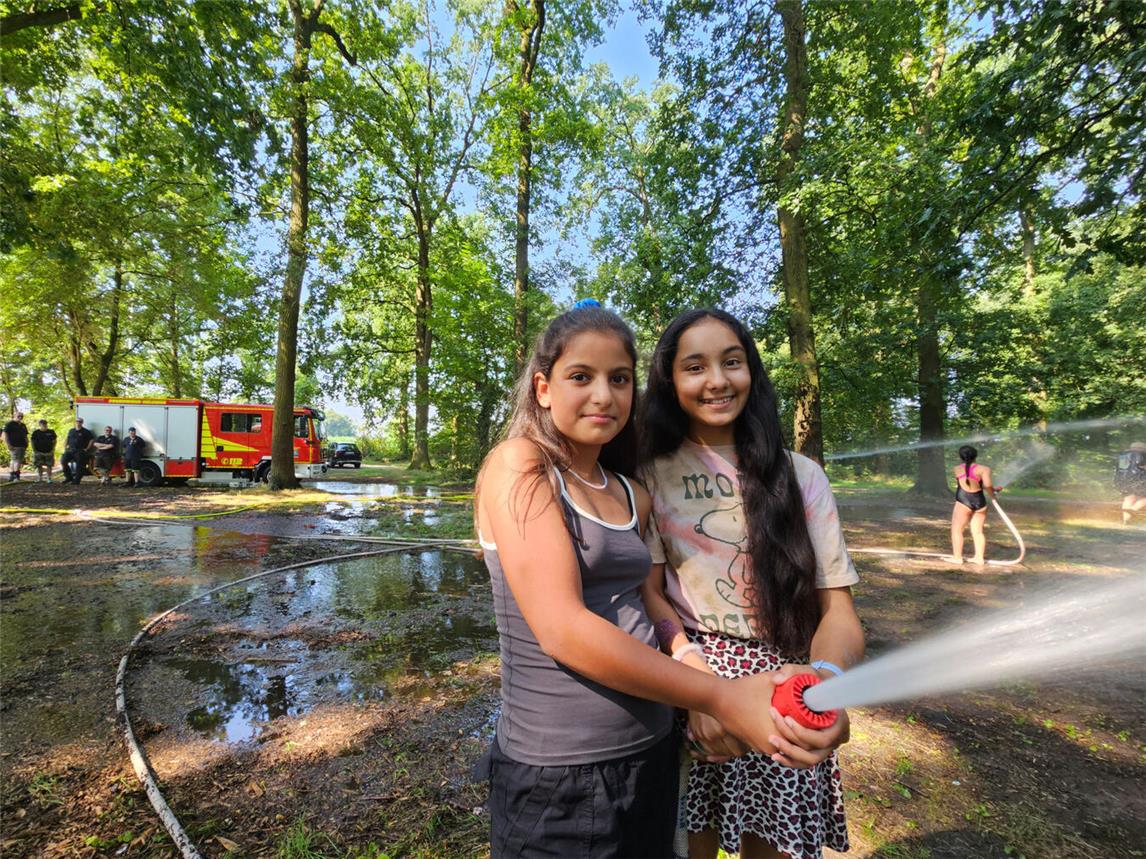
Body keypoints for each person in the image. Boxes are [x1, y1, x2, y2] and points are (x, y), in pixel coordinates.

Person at [473, 302, 821, 859]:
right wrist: (720, 696)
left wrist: (688, 656)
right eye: (580, 377)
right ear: (543, 388)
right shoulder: (520, 466)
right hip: (560, 772)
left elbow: (648, 601)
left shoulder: (630, 491)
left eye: (620, 379)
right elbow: (562, 628)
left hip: (653, 752)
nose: (604, 395)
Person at [637, 308, 863, 859]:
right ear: (670, 382)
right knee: (689, 845)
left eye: (731, 362)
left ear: (752, 373)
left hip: (786, 686)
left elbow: (838, 612)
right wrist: (694, 683)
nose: (717, 380)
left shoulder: (802, 476)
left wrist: (824, 682)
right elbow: (649, 592)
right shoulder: (647, 475)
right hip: (691, 685)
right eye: (695, 367)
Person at [948, 444, 997, 564]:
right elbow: (988, 486)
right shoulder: (985, 469)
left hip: (963, 501)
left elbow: (967, 480)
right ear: (976, 455)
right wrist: (994, 495)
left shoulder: (956, 469)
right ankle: (979, 558)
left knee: (957, 530)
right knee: (978, 531)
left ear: (960, 456)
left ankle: (957, 558)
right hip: (980, 501)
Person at [1115, 441, 1146, 526]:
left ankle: (1126, 522)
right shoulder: (1142, 454)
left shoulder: (1123, 455)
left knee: (1128, 499)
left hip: (1121, 480)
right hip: (1136, 480)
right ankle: (1134, 509)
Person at [60, 417, 95, 485]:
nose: (78, 423)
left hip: (80, 450)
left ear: (82, 423)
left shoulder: (86, 431)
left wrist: (87, 448)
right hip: (70, 450)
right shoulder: (71, 430)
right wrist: (65, 447)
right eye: (77, 421)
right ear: (75, 422)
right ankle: (68, 477)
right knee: (63, 461)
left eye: (79, 422)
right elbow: (67, 438)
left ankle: (77, 480)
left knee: (80, 464)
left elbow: (91, 440)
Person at [3, 410, 29, 482]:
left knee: (16, 460)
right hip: (14, 445)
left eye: (21, 416)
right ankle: (16, 476)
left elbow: (25, 435)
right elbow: (5, 435)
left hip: (22, 445)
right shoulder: (10, 424)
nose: (20, 417)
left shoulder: (23, 425)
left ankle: (12, 476)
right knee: (16, 460)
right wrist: (8, 444)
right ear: (14, 416)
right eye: (18, 416)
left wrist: (27, 443)